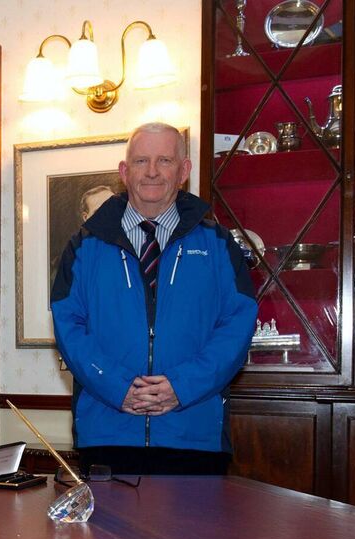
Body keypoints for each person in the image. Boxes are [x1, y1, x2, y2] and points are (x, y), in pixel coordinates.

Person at [50, 122, 257, 475]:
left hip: (194, 435)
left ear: (184, 171)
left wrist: (181, 387)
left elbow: (237, 326)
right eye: (141, 160)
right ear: (124, 171)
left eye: (164, 160)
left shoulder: (218, 244)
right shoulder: (84, 246)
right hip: (107, 433)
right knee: (105, 534)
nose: (151, 172)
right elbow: (68, 326)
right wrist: (118, 388)